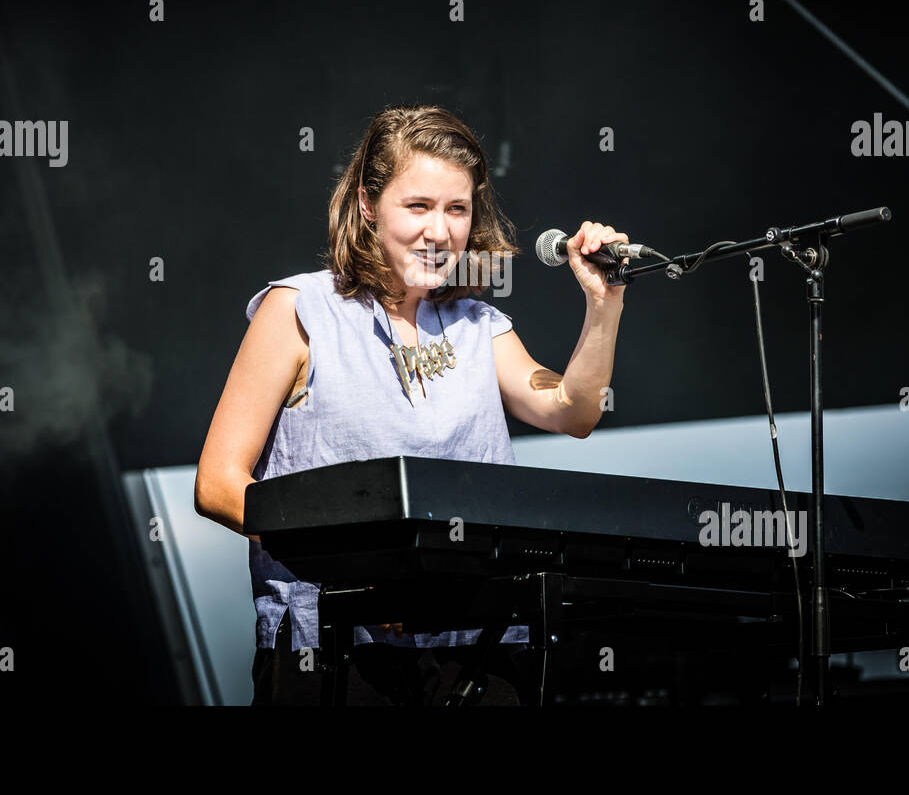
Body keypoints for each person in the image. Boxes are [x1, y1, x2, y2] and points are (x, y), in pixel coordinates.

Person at [194, 104, 630, 704]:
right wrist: (363, 571)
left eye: (457, 209)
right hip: (334, 649)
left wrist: (603, 304)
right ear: (369, 205)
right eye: (418, 206)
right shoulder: (300, 309)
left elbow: (572, 410)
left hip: (480, 642)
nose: (440, 230)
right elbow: (219, 483)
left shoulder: (479, 324)